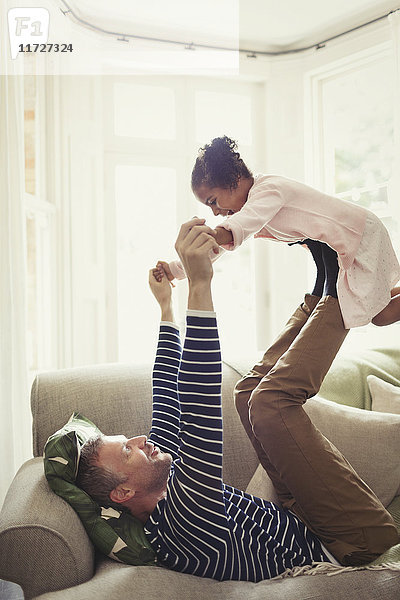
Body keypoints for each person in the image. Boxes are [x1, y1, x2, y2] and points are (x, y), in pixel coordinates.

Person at [76, 218, 398, 582]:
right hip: (350, 545)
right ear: (123, 491)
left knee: (247, 394)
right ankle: (342, 293)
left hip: (303, 516)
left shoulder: (164, 481)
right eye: (126, 451)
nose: (140, 440)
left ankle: (323, 290)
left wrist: (165, 308)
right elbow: (198, 408)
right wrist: (200, 283)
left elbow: (167, 397)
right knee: (272, 403)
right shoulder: (181, 527)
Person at [155, 135, 400, 330]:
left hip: (359, 232)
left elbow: (237, 228)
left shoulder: (269, 190)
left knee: (379, 315)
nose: (216, 212)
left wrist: (209, 235)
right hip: (353, 235)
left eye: (214, 201)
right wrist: (176, 270)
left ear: (234, 180)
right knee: (377, 300)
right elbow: (218, 249)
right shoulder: (251, 205)